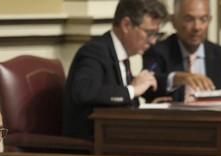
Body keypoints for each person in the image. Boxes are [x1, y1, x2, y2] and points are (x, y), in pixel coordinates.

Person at [62, 0, 168, 140]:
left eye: (156, 34)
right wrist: (132, 90)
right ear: (126, 25)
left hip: (116, 138)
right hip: (90, 146)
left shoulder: (121, 55)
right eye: (149, 33)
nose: (153, 41)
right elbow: (83, 91)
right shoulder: (95, 51)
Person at [143, 0, 221, 102]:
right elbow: (148, 88)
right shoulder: (156, 53)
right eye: (189, 19)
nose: (197, 27)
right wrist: (175, 79)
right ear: (174, 21)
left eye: (203, 19)